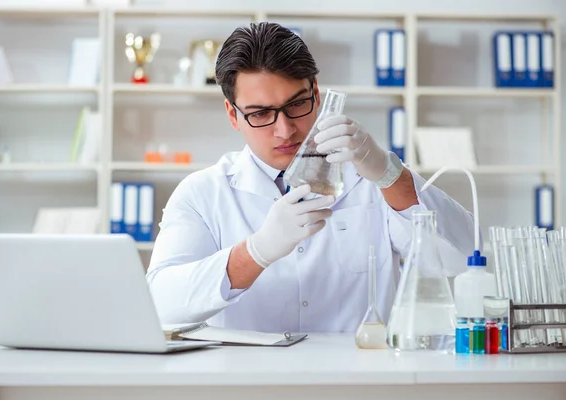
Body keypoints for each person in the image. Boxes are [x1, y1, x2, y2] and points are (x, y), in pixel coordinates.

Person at [146, 21, 477, 333]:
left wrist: (390, 175)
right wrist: (256, 252)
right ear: (233, 114)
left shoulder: (371, 178)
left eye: (297, 104)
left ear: (316, 93)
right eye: (261, 113)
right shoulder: (203, 193)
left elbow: (459, 260)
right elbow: (160, 303)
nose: (285, 129)